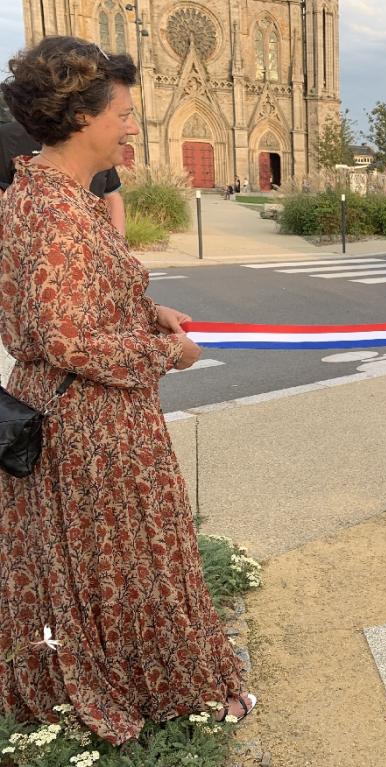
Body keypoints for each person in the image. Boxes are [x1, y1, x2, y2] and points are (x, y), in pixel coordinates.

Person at [0, 36, 255, 745]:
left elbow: (73, 302)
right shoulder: (54, 209)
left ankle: (125, 683)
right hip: (89, 420)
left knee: (100, 566)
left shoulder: (47, 193)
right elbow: (64, 336)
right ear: (82, 117)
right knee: (122, 562)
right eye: (123, 113)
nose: (133, 126)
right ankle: (156, 693)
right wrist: (164, 351)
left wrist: (149, 310)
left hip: (78, 410)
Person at [0, 119, 126, 235]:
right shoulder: (7, 138)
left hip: (94, 242)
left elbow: (111, 195)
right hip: (36, 245)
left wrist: (118, 245)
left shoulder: (91, 134)